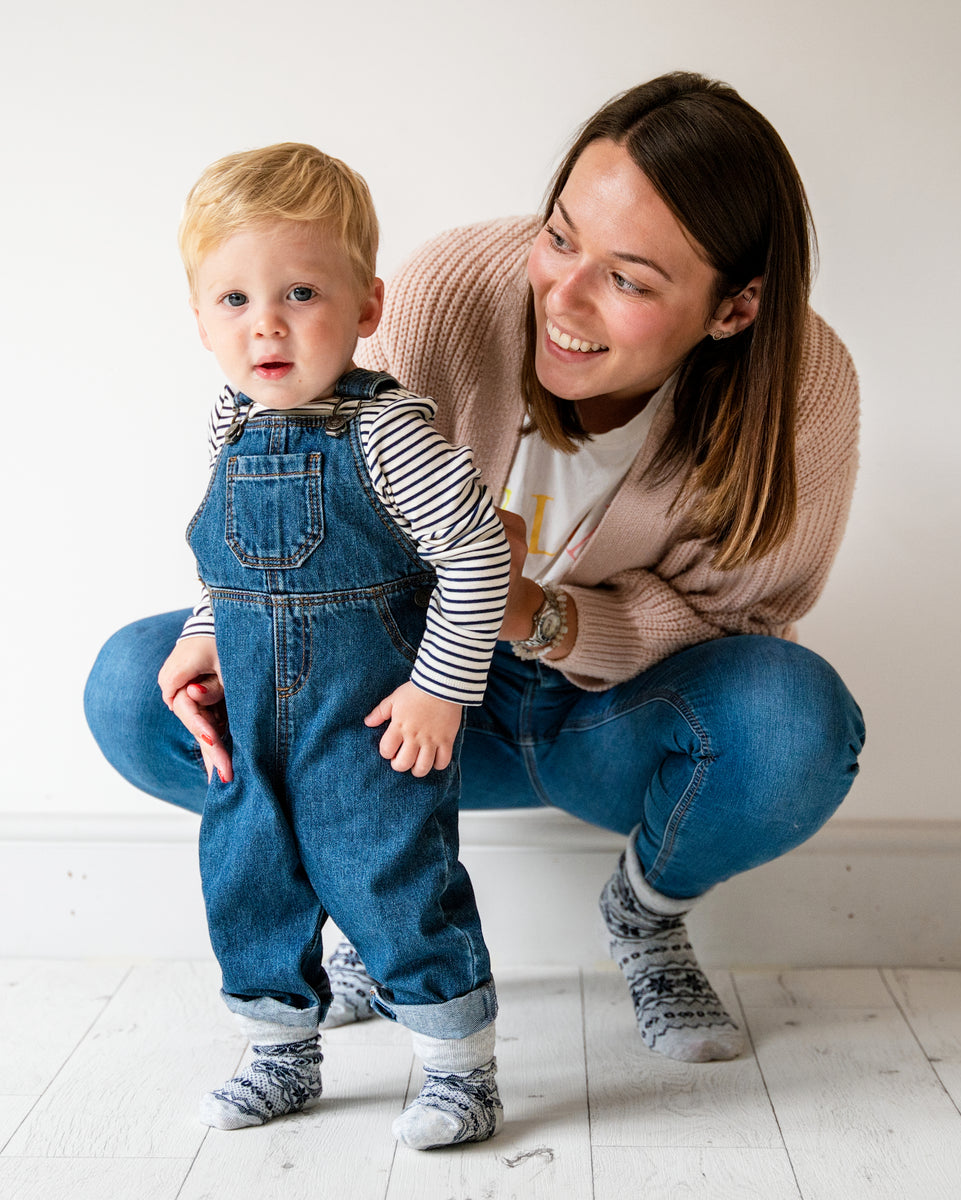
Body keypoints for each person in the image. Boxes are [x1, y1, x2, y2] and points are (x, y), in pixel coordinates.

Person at [86, 72, 866, 1070]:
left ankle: (646, 917)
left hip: (609, 716)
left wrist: (539, 614)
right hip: (394, 704)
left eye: (628, 279)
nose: (565, 297)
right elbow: (270, 506)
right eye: (560, 237)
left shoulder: (800, 389)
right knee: (136, 688)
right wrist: (217, 630)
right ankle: (369, 894)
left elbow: (741, 622)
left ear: (732, 308)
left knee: (796, 722)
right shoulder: (451, 292)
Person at [164, 143, 510, 1148]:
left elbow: (477, 553)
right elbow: (225, 567)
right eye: (231, 299)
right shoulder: (230, 423)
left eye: (301, 291)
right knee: (249, 886)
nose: (264, 322)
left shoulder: (385, 434)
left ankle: (459, 1069)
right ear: (198, 320)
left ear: (367, 307)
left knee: (399, 887)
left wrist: (439, 690)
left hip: (368, 727)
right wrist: (202, 638)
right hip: (253, 730)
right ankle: (281, 1053)